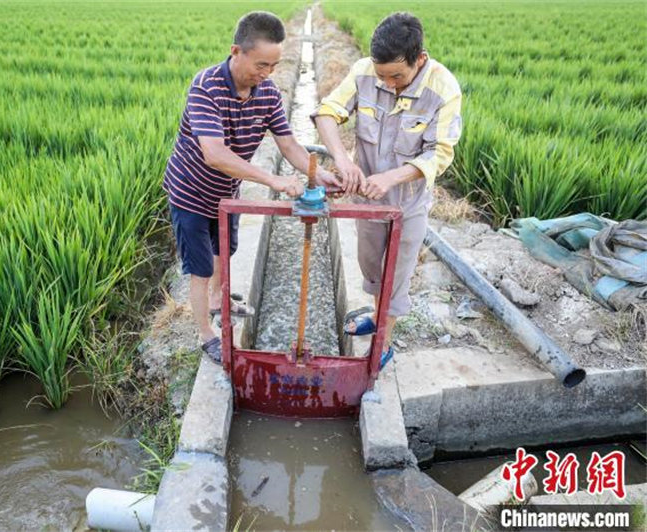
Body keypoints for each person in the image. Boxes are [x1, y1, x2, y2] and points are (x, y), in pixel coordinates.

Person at [164, 11, 341, 363]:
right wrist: (273, 180)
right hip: (190, 193)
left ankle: (219, 299)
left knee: (224, 251)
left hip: (226, 193)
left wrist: (319, 175)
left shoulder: (268, 92)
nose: (267, 74)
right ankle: (205, 335)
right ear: (236, 51)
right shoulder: (206, 87)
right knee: (199, 268)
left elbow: (288, 144)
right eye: (261, 65)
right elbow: (214, 154)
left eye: (274, 66)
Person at [313, 12, 462, 363]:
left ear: (419, 59)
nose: (389, 84)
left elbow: (440, 153)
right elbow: (327, 113)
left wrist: (391, 178)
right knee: (371, 267)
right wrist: (343, 159)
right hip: (366, 199)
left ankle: (383, 342)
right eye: (383, 76)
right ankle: (377, 315)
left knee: (395, 275)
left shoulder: (443, 89)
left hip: (406, 204)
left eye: (397, 76)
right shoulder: (364, 71)